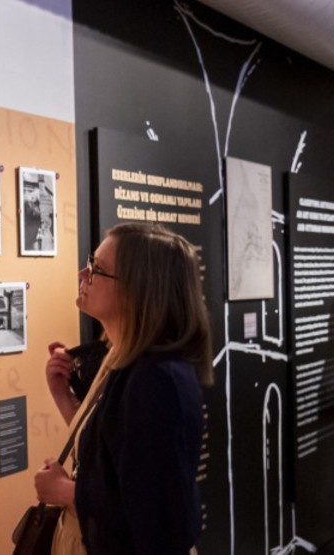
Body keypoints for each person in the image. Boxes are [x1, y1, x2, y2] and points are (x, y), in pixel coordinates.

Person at [34, 222, 213, 554]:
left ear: (138, 289)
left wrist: (64, 492)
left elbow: (156, 515)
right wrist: (63, 397)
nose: (82, 274)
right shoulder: (121, 356)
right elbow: (112, 450)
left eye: (97, 268)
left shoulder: (158, 381)